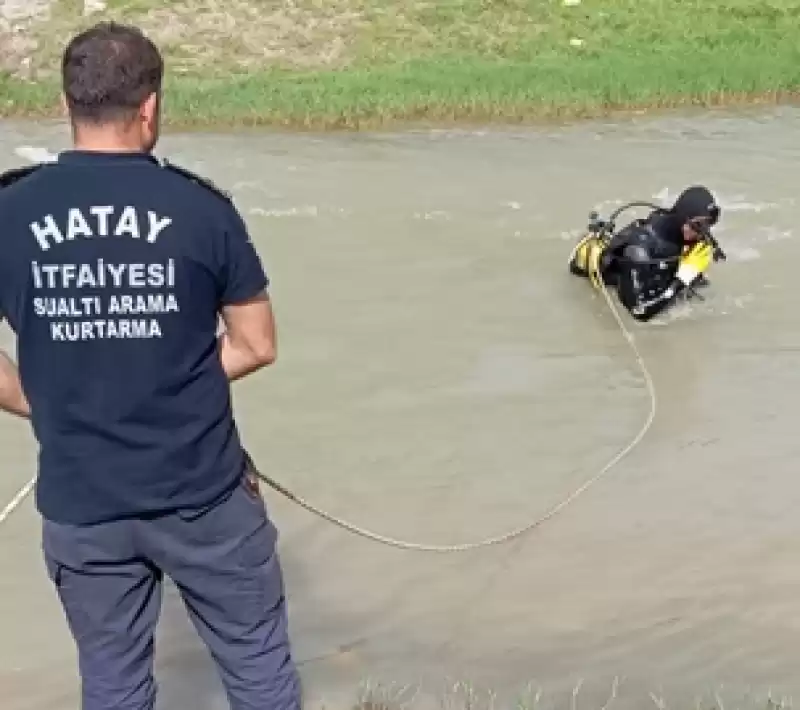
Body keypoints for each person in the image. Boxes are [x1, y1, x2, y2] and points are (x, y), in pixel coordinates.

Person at [0, 21, 300, 710]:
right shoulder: (202, 209)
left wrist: (42, 400)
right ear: (150, 108)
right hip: (206, 496)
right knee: (258, 671)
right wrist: (170, 382)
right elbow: (256, 344)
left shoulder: (9, 213)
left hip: (82, 504)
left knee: (113, 685)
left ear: (67, 104)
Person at [569, 186, 725, 321]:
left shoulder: (683, 231)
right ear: (682, 217)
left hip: (655, 273)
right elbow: (639, 312)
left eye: (708, 225)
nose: (702, 232)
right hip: (621, 280)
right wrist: (681, 281)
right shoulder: (641, 249)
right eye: (698, 226)